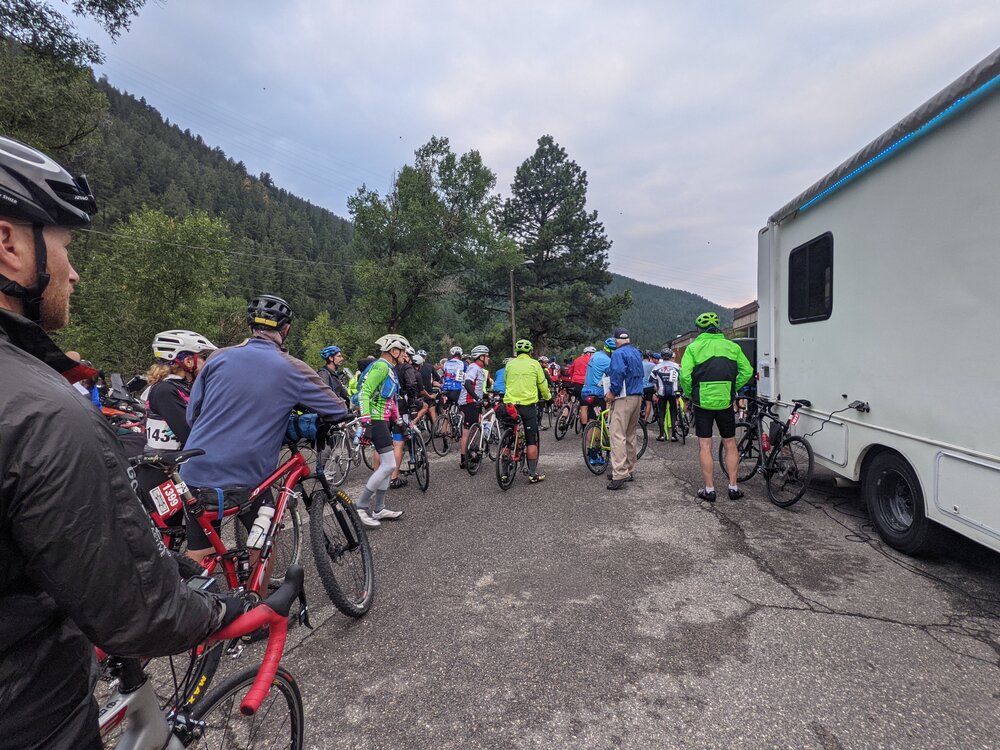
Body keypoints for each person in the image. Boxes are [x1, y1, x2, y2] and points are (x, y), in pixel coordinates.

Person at [0, 135, 240, 750]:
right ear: (8, 244)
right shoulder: (41, 410)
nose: (74, 272)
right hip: (32, 714)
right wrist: (223, 613)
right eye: (65, 247)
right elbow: (134, 610)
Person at [180, 294, 351, 556]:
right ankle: (256, 596)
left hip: (195, 471)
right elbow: (338, 410)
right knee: (261, 549)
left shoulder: (216, 358)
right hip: (248, 476)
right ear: (286, 330)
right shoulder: (292, 367)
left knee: (200, 551)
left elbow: (192, 416)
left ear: (251, 327)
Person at [680, 311, 754, 502]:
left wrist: (690, 393)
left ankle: (710, 490)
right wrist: (732, 386)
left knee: (705, 444)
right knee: (729, 443)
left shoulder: (693, 347)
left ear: (699, 330)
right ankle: (733, 487)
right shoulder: (732, 346)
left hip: (702, 401)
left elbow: (685, 376)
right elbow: (747, 371)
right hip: (725, 401)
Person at [357, 334, 411, 522]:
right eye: (402, 351)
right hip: (376, 419)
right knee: (388, 465)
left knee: (390, 466)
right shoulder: (381, 366)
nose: (405, 354)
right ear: (393, 351)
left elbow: (391, 400)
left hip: (385, 419)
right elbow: (364, 393)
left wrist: (399, 422)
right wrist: (366, 421)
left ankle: (379, 508)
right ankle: (361, 507)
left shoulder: (389, 369)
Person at [501, 339, 551, 483]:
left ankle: (504, 473)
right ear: (530, 352)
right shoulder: (535, 364)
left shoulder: (510, 364)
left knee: (508, 441)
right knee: (531, 441)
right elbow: (542, 384)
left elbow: (506, 382)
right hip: (527, 407)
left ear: (517, 352)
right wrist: (548, 398)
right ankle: (532, 474)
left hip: (510, 406)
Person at [606, 327, 645, 490]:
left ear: (616, 341)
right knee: (630, 434)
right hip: (638, 396)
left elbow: (618, 373)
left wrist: (611, 393)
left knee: (617, 434)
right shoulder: (637, 352)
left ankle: (620, 473)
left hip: (624, 397)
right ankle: (629, 469)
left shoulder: (617, 353)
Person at [581, 338, 614, 465]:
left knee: (592, 422)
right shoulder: (607, 360)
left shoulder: (597, 355)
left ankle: (590, 452)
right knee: (600, 423)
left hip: (586, 391)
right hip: (597, 392)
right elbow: (615, 375)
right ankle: (594, 454)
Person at [458, 345, 490, 468]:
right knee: (467, 432)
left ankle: (468, 453)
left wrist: (484, 398)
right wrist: (477, 399)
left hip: (473, 402)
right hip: (469, 402)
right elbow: (467, 384)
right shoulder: (474, 367)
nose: (489, 358)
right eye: (487, 356)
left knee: (473, 429)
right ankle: (463, 460)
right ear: (481, 357)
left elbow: (477, 387)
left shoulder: (479, 369)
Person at [651, 348, 681, 441]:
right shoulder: (676, 366)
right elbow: (681, 378)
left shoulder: (656, 367)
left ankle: (661, 435)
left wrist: (656, 392)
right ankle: (673, 435)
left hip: (662, 393)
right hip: (674, 393)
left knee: (661, 414)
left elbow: (652, 380)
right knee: (673, 413)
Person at [570, 345, 594, 424]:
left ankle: (564, 416)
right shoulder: (592, 360)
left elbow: (571, 371)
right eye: (593, 353)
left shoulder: (576, 359)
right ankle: (584, 429)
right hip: (584, 385)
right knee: (584, 408)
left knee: (570, 403)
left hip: (574, 384)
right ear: (589, 353)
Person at [440, 346, 465, 411]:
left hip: (446, 388)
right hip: (457, 388)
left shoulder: (446, 363)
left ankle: (445, 417)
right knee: (461, 406)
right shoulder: (462, 363)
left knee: (447, 409)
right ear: (460, 355)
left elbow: (444, 374)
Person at [641, 350, 657, 422]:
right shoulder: (653, 365)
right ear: (649, 357)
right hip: (650, 387)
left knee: (639, 403)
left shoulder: (639, 364)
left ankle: (637, 419)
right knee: (648, 403)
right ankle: (645, 420)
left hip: (641, 387)